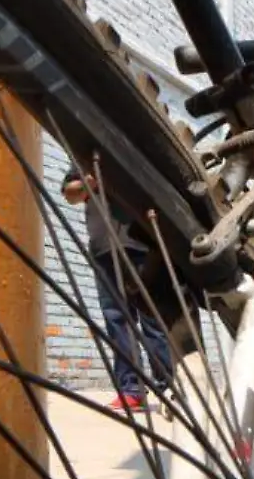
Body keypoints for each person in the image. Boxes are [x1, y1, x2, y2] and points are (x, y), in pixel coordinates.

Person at [62, 164, 173, 412]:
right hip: (103, 250)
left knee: (152, 318)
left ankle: (171, 387)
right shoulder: (81, 157)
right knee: (117, 320)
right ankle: (131, 389)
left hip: (141, 245)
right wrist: (91, 181)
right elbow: (70, 194)